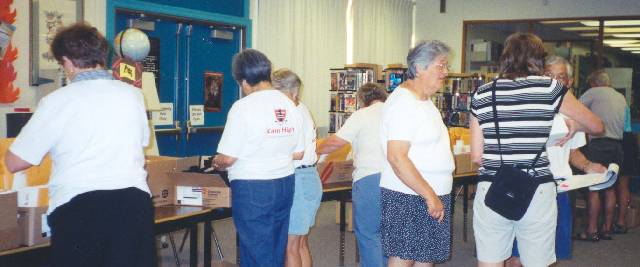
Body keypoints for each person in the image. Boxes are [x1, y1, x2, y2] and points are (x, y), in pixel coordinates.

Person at [5, 23, 155, 267]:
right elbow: (140, 142)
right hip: (133, 205)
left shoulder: (56, 101)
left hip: (81, 209)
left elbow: (15, 161)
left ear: (68, 62)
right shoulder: (132, 95)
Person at [470, 32, 604, 267]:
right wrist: (570, 121)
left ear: (505, 58)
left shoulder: (482, 93)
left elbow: (476, 156)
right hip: (537, 188)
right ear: (538, 60)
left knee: (490, 260)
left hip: (492, 186)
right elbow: (596, 126)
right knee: (537, 261)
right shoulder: (550, 89)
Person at [506, 55, 607, 267]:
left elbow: (572, 153)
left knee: (550, 254)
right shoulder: (528, 107)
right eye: (548, 75)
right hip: (529, 188)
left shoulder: (575, 114)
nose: (553, 80)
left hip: (560, 189)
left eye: (560, 77)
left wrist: (589, 167)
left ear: (569, 82)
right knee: (517, 255)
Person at [212, 49, 305, 267]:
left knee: (255, 251)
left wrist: (216, 161)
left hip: (253, 187)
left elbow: (228, 158)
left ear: (244, 82)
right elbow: (298, 150)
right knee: (275, 247)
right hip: (285, 183)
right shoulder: (290, 106)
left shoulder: (243, 107)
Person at [379, 40, 454, 266]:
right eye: (440, 66)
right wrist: (430, 196)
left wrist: (433, 195)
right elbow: (397, 157)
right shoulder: (404, 103)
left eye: (445, 66)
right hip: (410, 195)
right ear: (420, 68)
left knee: (425, 258)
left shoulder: (425, 102)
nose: (446, 72)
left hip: (428, 193)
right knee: (404, 258)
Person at [317, 82, 388, 267]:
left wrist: (312, 150)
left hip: (370, 178)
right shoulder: (395, 113)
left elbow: (335, 143)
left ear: (362, 100)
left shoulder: (361, 115)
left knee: (368, 234)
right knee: (388, 234)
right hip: (397, 179)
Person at [271, 68, 323, 267]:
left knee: (290, 246)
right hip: (309, 177)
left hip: (299, 180)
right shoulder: (302, 108)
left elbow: (297, 153)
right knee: (300, 244)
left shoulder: (290, 112)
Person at [578, 69, 627, 241]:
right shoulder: (620, 96)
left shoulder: (593, 92)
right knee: (610, 188)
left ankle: (591, 230)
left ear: (593, 83)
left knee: (594, 188)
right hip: (617, 146)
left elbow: (574, 111)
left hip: (598, 144)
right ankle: (606, 229)